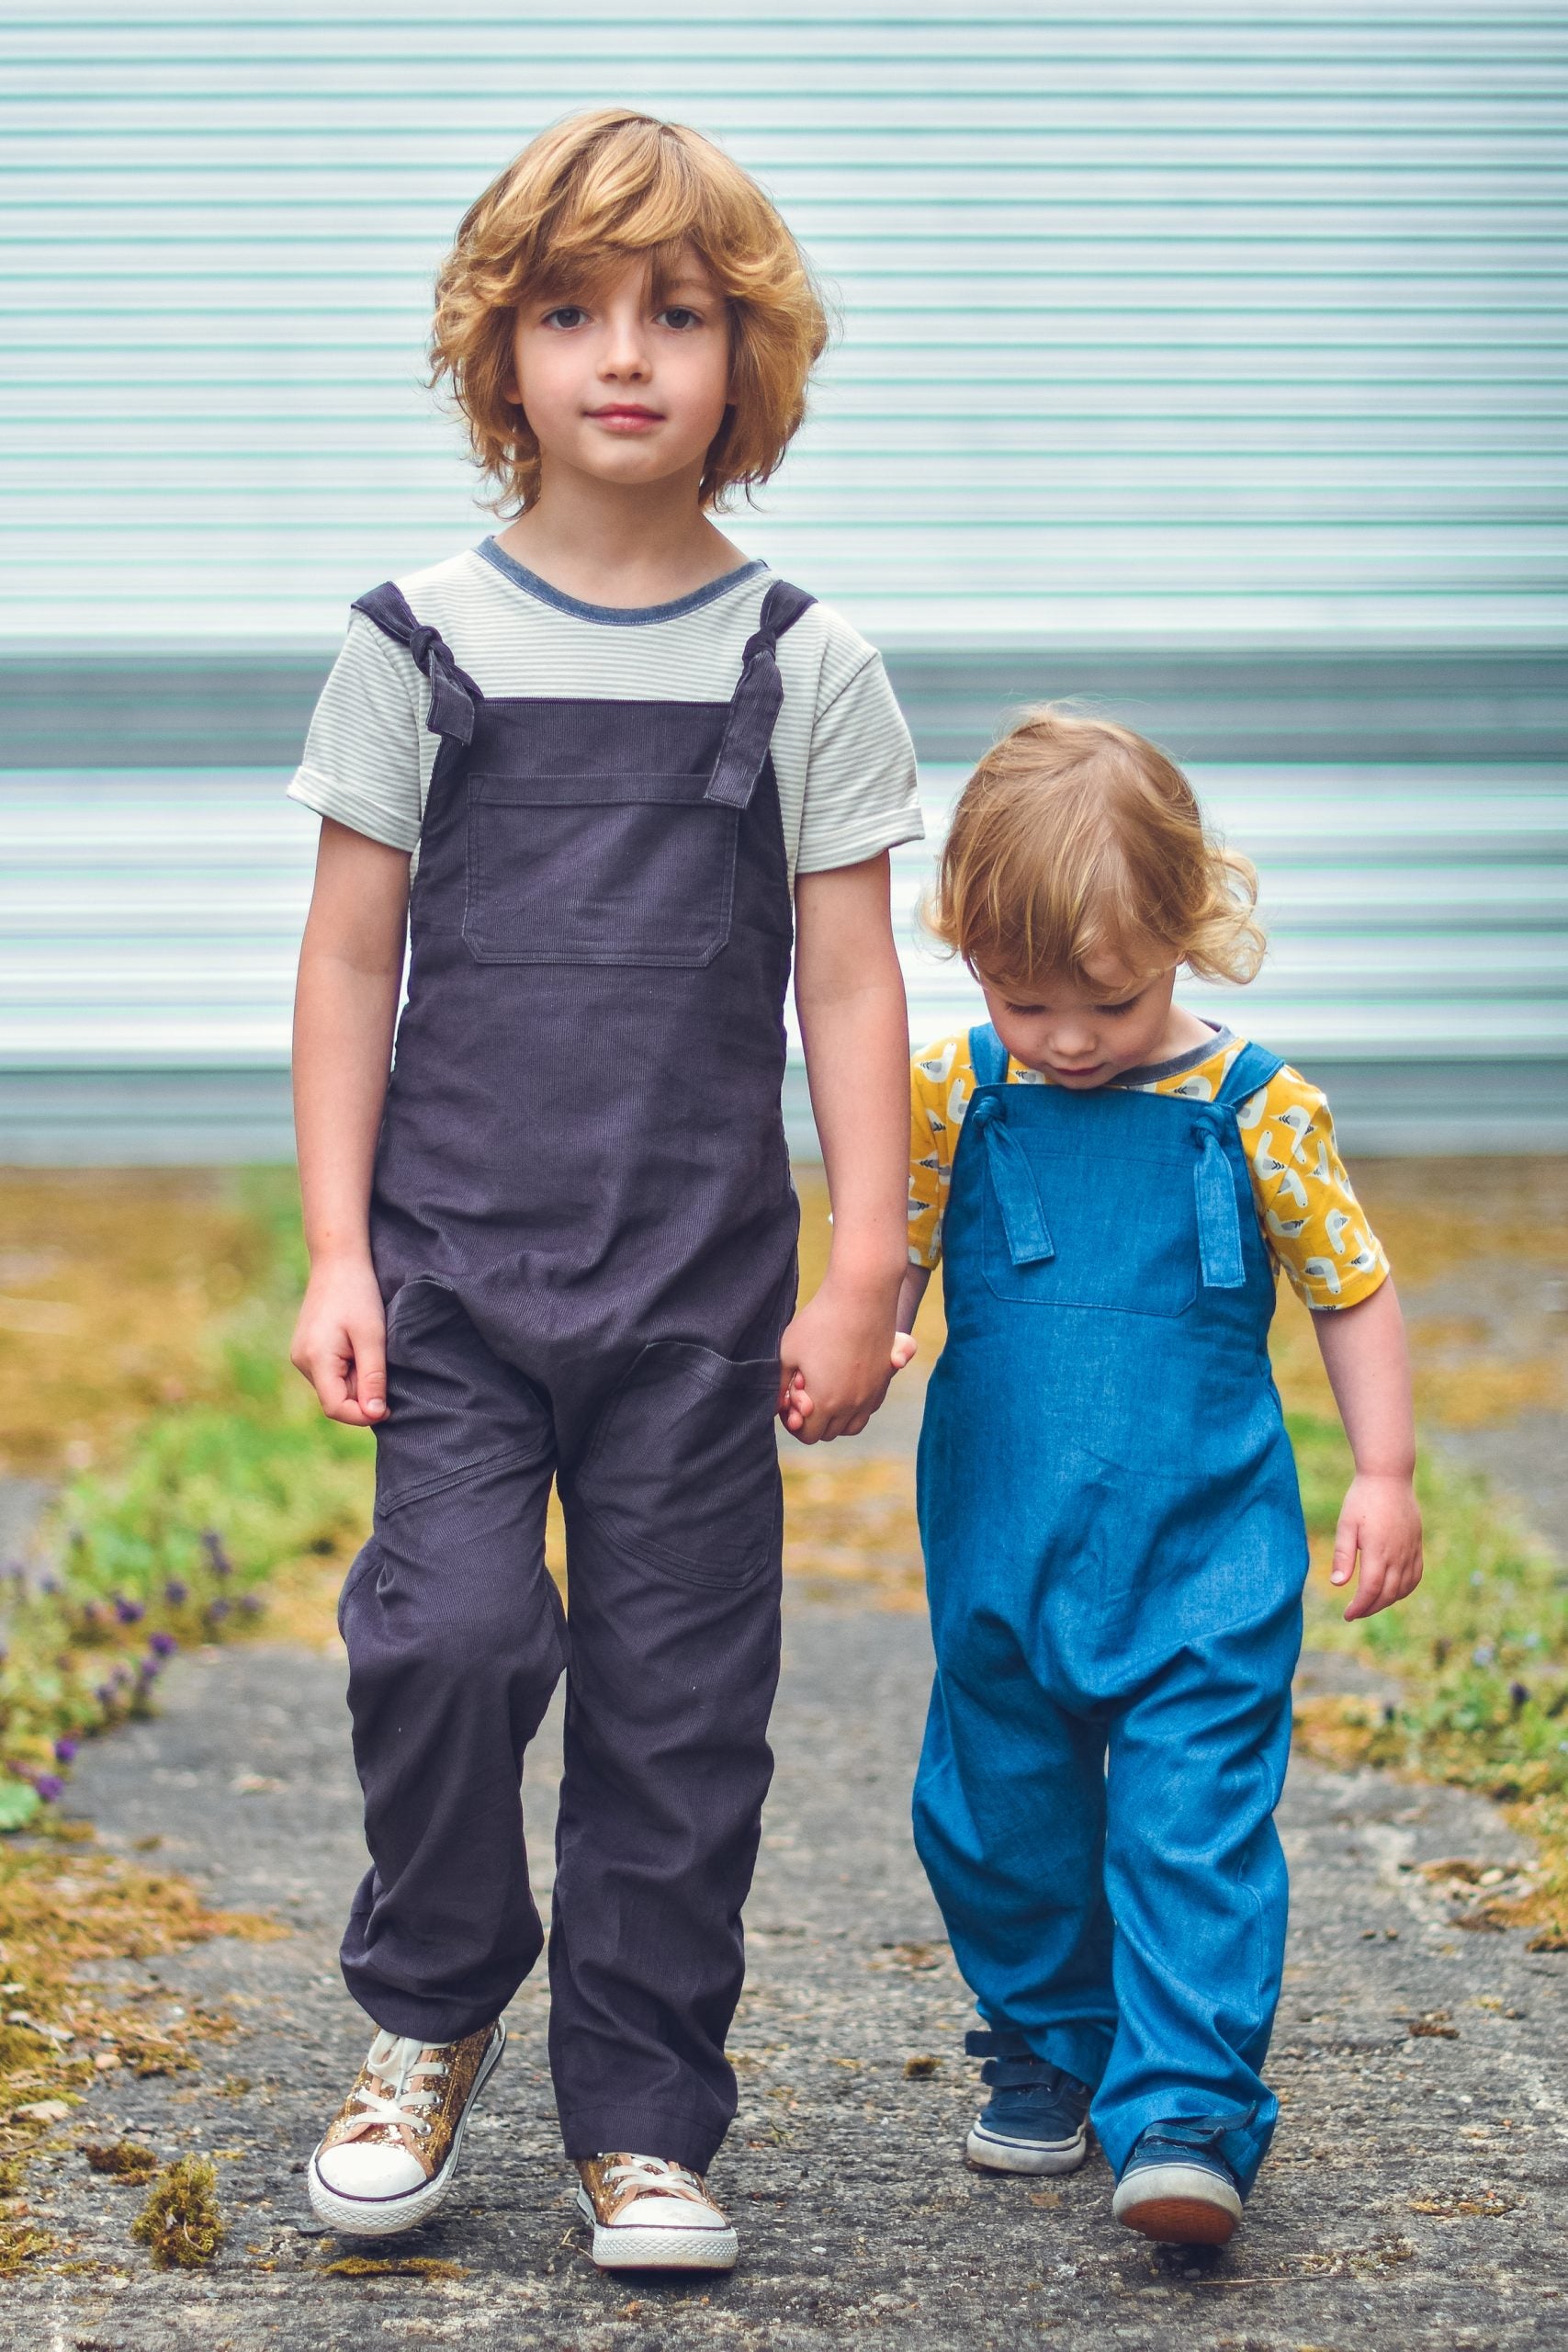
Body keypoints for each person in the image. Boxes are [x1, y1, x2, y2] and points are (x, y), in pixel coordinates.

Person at [286, 108, 919, 2270]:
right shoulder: (414, 637)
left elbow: (850, 977)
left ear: (747, 359)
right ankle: (431, 2011)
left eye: (676, 313)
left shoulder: (805, 658)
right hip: (455, 1280)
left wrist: (863, 1259)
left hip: (695, 1301)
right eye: (570, 311)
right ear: (501, 356)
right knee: (447, 1642)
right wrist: (334, 1249)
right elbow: (348, 958)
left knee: (677, 1714)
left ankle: (643, 2118)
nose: (623, 356)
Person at [897, 707, 1423, 2247]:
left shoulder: (1257, 1109)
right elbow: (893, 1261)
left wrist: (1380, 1471)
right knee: (993, 1818)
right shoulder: (952, 1096)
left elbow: (1353, 1288)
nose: (1060, 1041)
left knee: (1191, 1817)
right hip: (1001, 1550)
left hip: (1208, 1559)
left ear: (1189, 931)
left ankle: (1187, 2101)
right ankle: (1051, 2042)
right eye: (1022, 998)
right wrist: (843, 1339)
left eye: (1106, 1003)